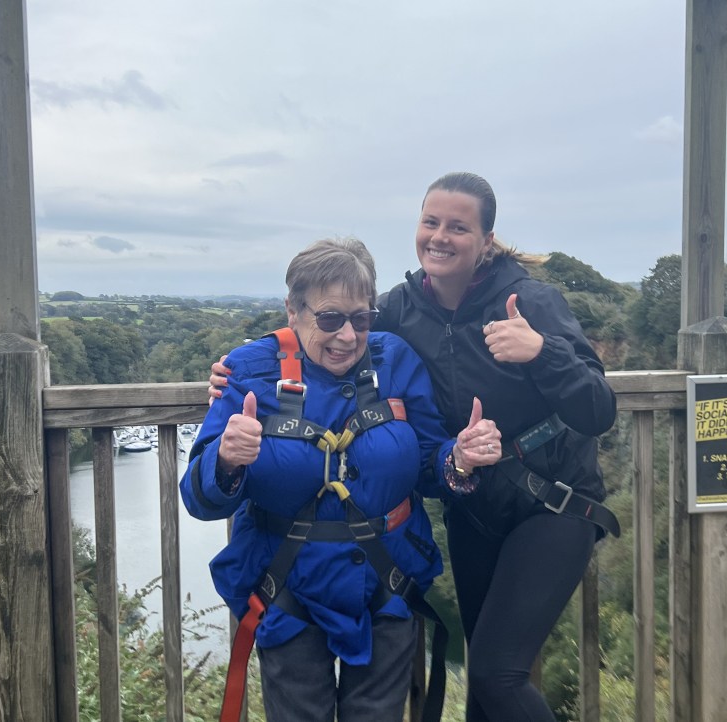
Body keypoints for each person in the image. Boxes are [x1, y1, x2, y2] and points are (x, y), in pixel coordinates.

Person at [211, 173, 618, 722]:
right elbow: (324, 319)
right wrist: (240, 371)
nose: (440, 237)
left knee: (500, 674)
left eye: (459, 227)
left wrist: (541, 350)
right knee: (485, 678)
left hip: (551, 502)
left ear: (487, 239)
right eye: (431, 222)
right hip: (474, 505)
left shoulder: (528, 302)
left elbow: (597, 411)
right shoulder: (399, 309)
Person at [182, 237, 503, 722]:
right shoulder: (249, 371)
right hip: (287, 591)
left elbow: (428, 465)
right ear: (293, 310)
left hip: (386, 587)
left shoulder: (393, 360)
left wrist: (458, 459)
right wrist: (227, 460)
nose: (348, 336)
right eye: (329, 319)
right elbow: (199, 497)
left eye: (361, 318)